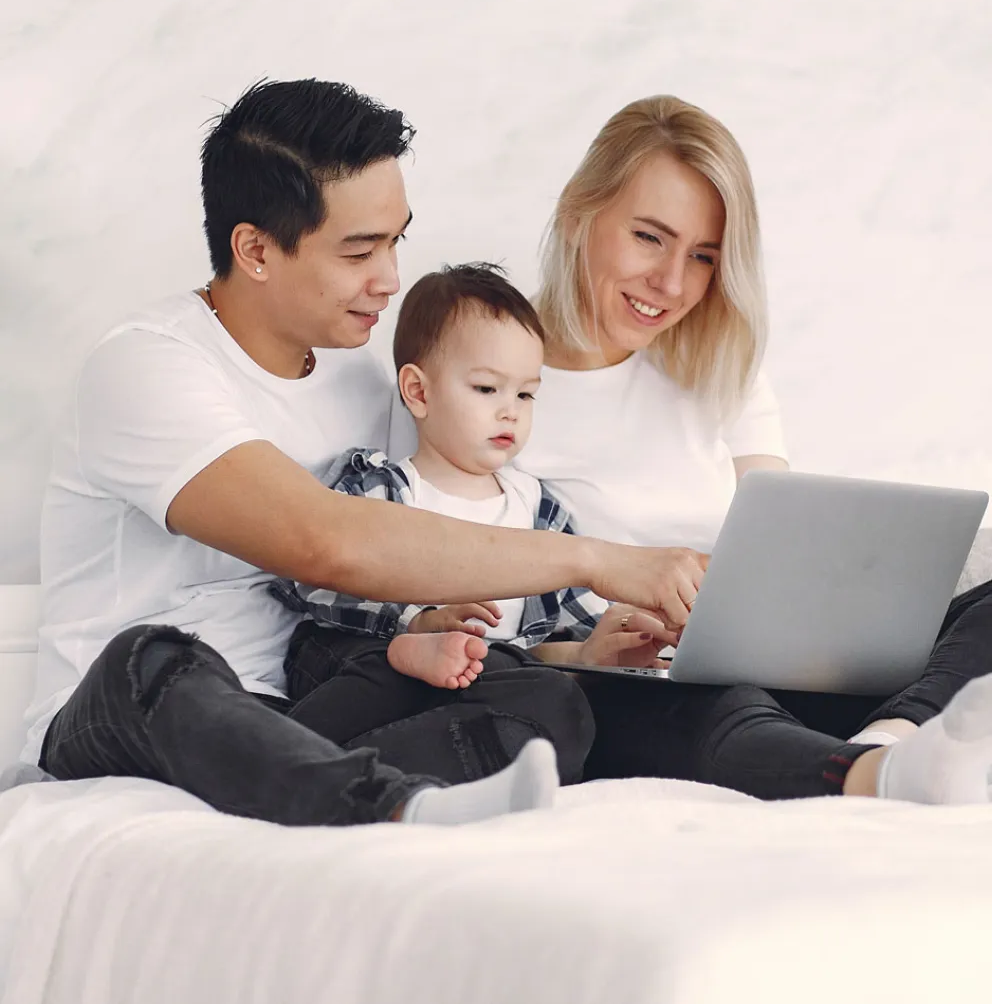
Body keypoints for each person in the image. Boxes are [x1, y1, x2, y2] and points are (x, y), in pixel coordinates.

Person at [22, 79, 706, 828]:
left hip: (303, 713)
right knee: (157, 658)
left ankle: (367, 791)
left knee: (543, 698)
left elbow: (416, 537)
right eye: (358, 251)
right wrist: (596, 559)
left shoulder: (361, 380)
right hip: (127, 718)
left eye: (395, 240)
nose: (389, 280)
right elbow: (329, 543)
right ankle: (391, 802)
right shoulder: (146, 368)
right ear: (254, 249)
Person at [515, 93, 992, 805]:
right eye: (650, 237)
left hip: (770, 674)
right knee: (711, 703)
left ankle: (892, 739)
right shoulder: (489, 382)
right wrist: (582, 650)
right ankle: (864, 778)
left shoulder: (721, 370)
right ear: (579, 214)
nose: (672, 284)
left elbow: (784, 550)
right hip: (618, 685)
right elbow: (462, 620)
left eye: (703, 256)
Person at [277, 264, 664, 786]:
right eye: (486, 389)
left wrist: (588, 653)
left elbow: (539, 647)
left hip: (463, 689)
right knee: (340, 648)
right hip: (360, 671)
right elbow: (308, 578)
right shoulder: (385, 487)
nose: (510, 412)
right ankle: (400, 662)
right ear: (418, 392)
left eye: (525, 395)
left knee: (527, 679)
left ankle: (393, 766)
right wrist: (413, 626)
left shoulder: (538, 512)